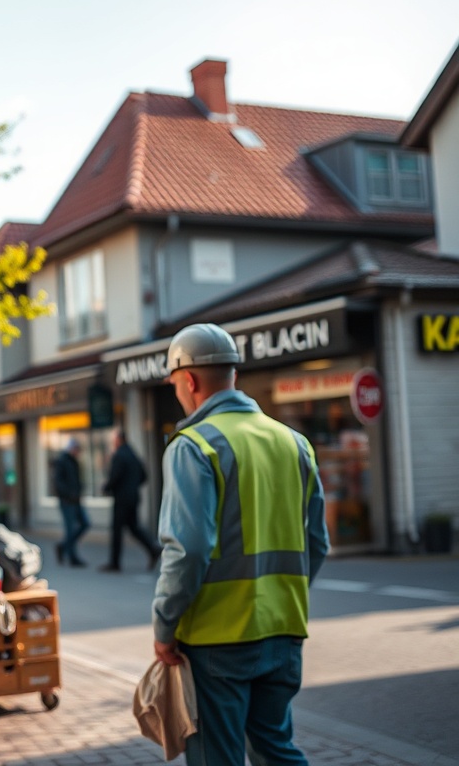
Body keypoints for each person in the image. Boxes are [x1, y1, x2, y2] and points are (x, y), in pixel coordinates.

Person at [151, 323, 330, 765]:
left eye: (175, 384)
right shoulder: (295, 443)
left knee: (217, 757)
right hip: (285, 627)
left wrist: (164, 626)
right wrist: (281, 597)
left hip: (218, 637)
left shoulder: (193, 445)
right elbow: (317, 544)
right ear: (232, 374)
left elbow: (188, 549)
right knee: (275, 749)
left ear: (189, 380)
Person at [100, 428, 161, 572]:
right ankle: (153, 548)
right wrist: (132, 486)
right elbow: (143, 475)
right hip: (133, 497)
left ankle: (115, 563)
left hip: (122, 499)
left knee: (117, 530)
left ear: (119, 440)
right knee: (133, 527)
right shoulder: (132, 454)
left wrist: (106, 488)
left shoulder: (120, 455)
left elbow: (115, 477)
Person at [53, 437, 89, 567]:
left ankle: (63, 547)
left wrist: (80, 489)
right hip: (67, 501)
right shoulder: (62, 461)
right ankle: (72, 557)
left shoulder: (74, 461)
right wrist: (68, 494)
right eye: (76, 449)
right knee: (70, 528)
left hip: (76, 500)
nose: (77, 452)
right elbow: (58, 483)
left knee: (85, 524)